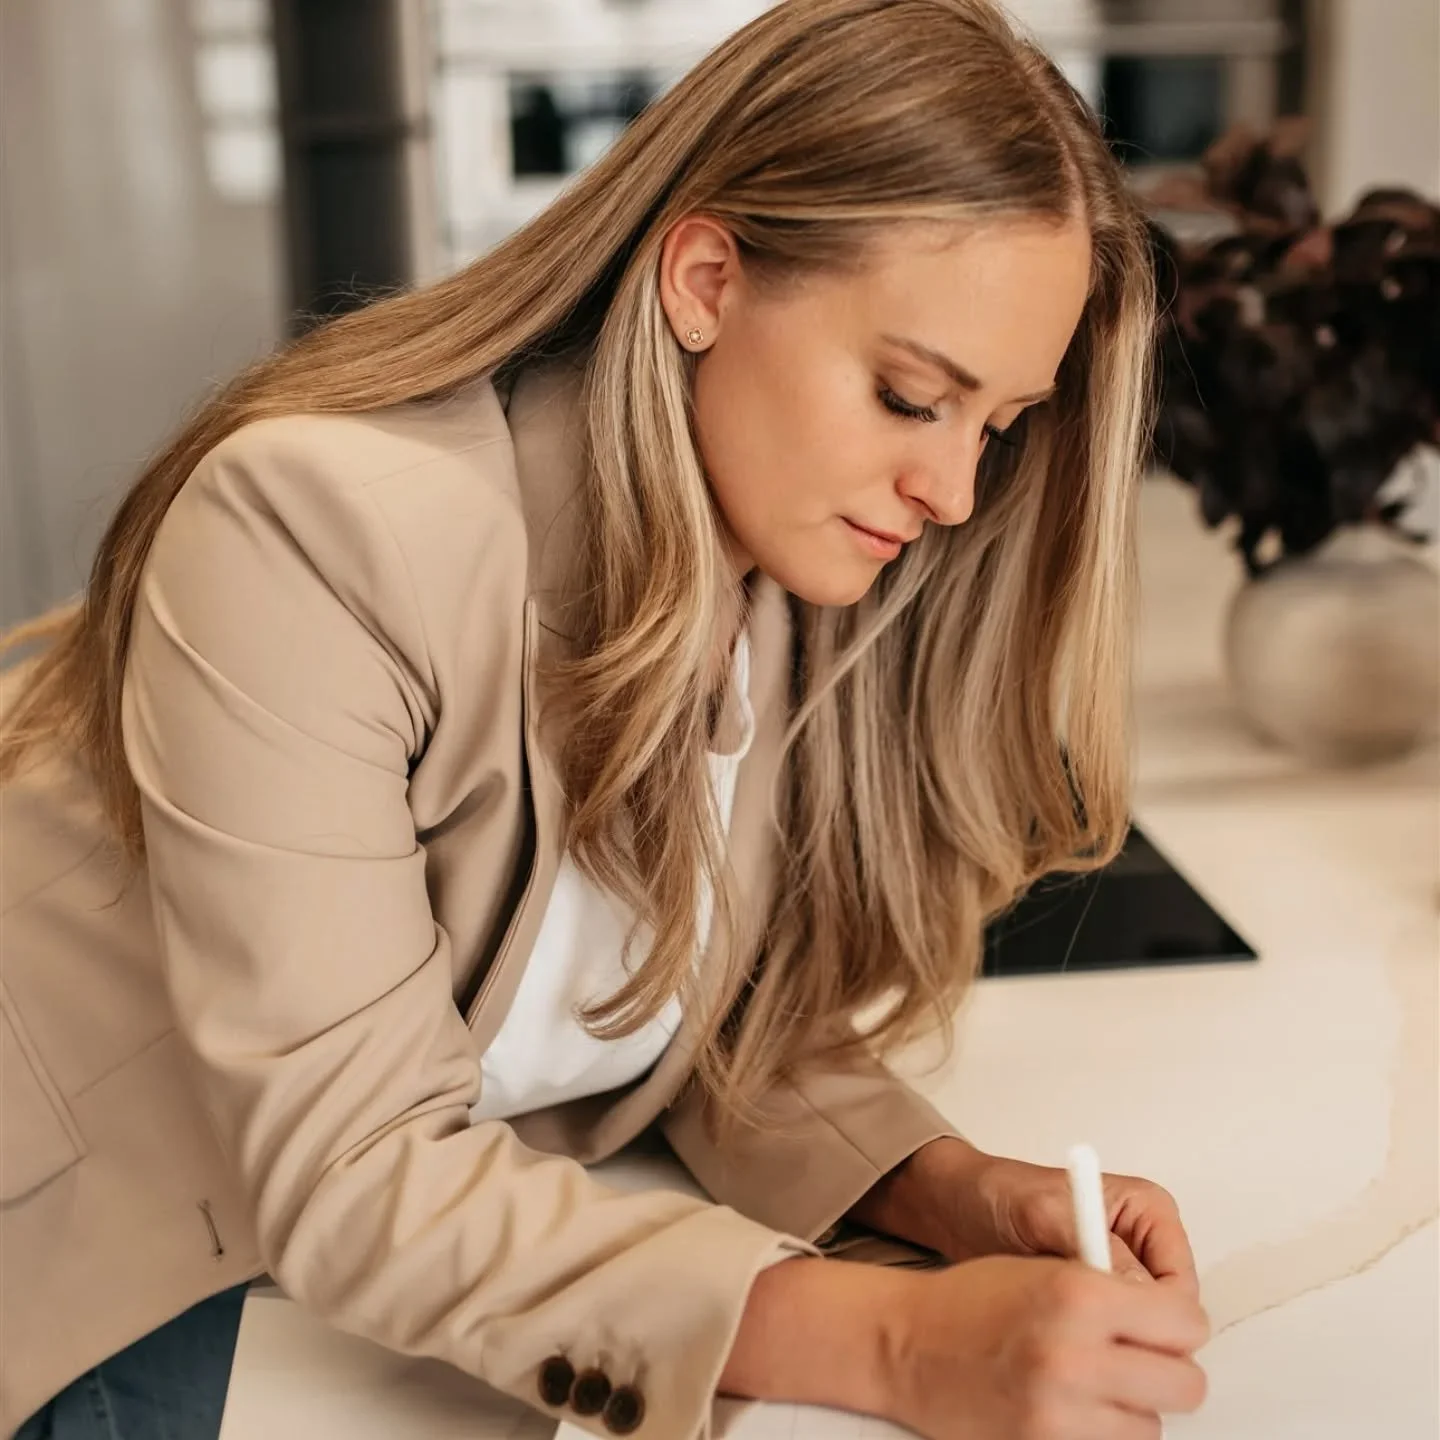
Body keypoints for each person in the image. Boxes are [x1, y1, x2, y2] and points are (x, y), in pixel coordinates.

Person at [0, 1, 1212, 1436]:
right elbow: (355, 1168)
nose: (953, 492)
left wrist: (944, 1191)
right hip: (93, 1235)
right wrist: (895, 1344)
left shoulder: (788, 556)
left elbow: (706, 1002)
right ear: (703, 280)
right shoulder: (322, 530)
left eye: (995, 426)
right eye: (909, 397)